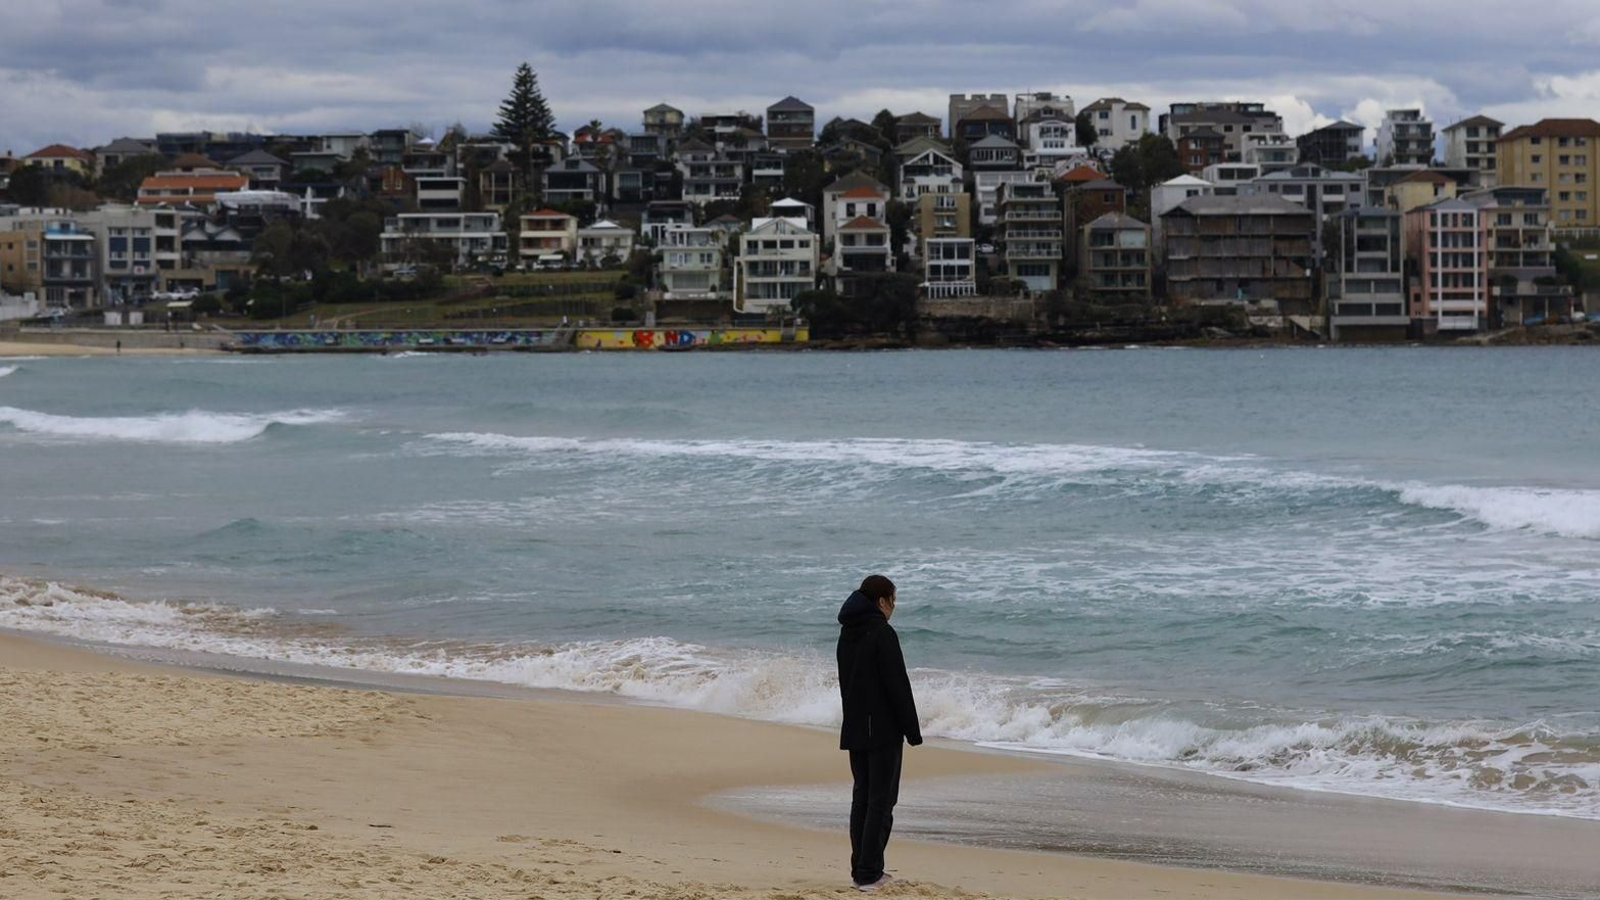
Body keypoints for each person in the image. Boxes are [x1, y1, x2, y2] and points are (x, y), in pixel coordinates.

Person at [836, 574, 921, 892]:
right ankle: (870, 873)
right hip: (883, 729)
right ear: (882, 601)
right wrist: (912, 730)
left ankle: (861, 869)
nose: (894, 607)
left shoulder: (848, 632)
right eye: (893, 600)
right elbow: (897, 685)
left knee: (863, 798)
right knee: (881, 801)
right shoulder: (882, 633)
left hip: (855, 726)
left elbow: (849, 682)